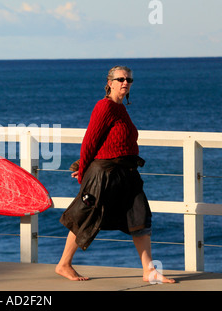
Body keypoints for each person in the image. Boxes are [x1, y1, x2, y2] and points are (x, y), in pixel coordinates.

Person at [55, 66, 175, 283]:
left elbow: (111, 142)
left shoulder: (121, 109)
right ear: (109, 83)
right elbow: (90, 142)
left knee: (141, 218)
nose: (125, 83)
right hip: (104, 175)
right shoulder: (104, 106)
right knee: (87, 216)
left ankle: (149, 271)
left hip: (127, 174)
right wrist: (83, 172)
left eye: (129, 79)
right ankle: (64, 264)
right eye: (120, 79)